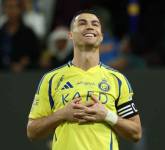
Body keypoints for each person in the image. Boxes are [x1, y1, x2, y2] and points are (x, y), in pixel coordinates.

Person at [27, 10, 142, 150]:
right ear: (70, 35)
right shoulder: (51, 79)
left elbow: (136, 132)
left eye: (95, 24)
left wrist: (107, 115)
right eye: (82, 23)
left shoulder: (117, 79)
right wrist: (61, 115)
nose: (90, 27)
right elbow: (32, 131)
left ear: (101, 36)